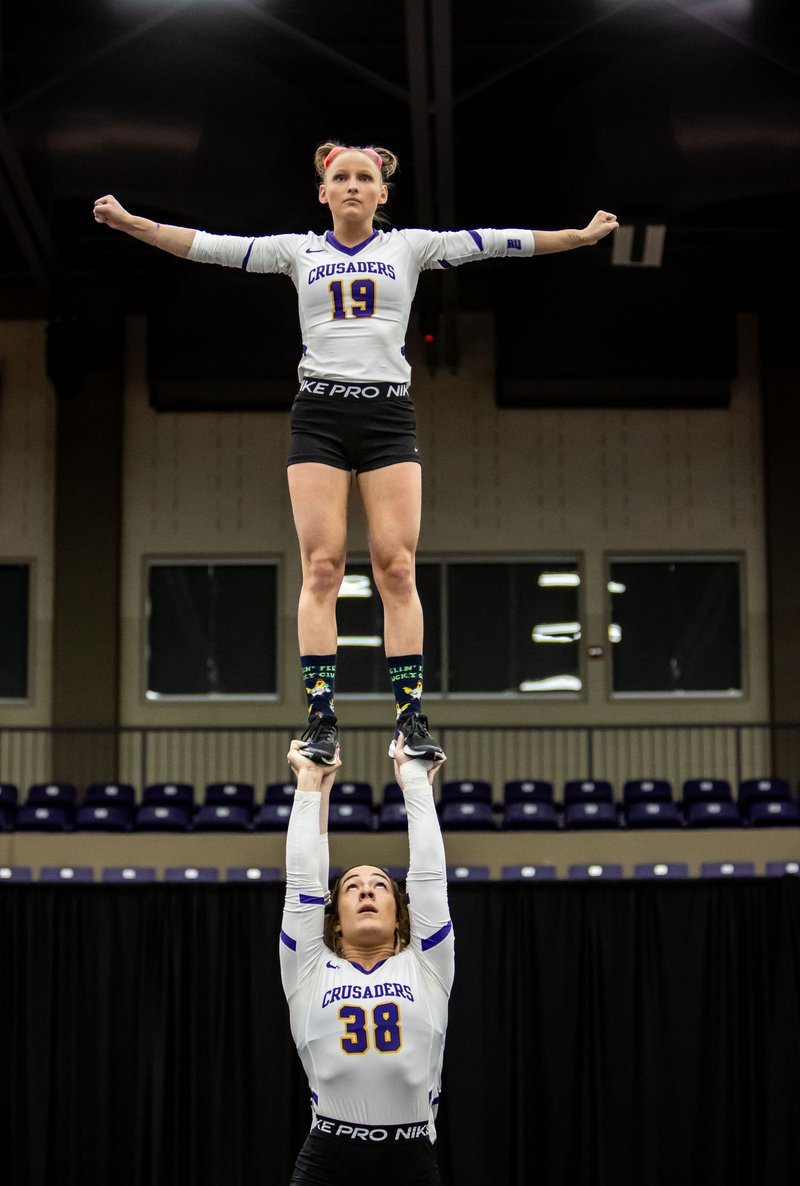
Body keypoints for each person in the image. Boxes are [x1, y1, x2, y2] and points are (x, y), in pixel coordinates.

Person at [93, 144, 618, 765]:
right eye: (339, 177)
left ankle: (411, 716)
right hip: (318, 415)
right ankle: (320, 716)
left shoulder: (411, 248)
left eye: (363, 178)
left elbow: (498, 241)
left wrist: (577, 238)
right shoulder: (297, 251)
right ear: (323, 191)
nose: (350, 186)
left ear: (381, 194)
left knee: (396, 567)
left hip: (387, 416)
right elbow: (210, 245)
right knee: (323, 567)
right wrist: (133, 225)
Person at [280, 733, 450, 1186]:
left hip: (411, 1167)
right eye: (353, 886)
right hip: (329, 1167)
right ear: (333, 923)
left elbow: (430, 878)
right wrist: (310, 784)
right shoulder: (309, 969)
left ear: (401, 914)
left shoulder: (429, 966)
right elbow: (303, 884)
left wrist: (415, 784)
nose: (369, 890)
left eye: (380, 885)